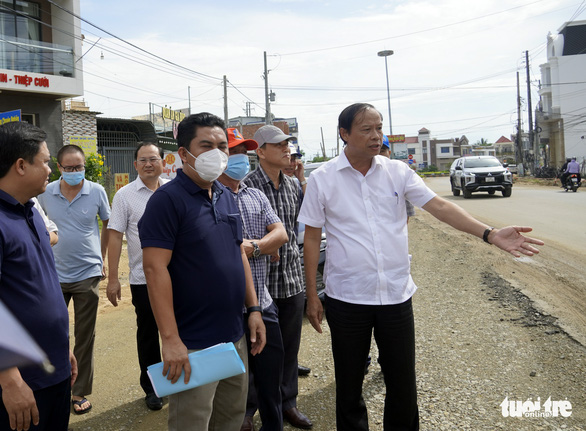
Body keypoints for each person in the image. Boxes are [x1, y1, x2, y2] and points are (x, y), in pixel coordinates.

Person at [299, 103, 544, 431]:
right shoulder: (324, 179)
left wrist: (489, 233)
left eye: (379, 128)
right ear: (344, 134)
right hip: (347, 297)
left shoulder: (397, 172)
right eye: (366, 129)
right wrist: (313, 296)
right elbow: (312, 237)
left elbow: (440, 206)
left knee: (402, 385)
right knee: (349, 386)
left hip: (396, 297)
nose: (376, 136)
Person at [138, 113, 266, 431]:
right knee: (192, 422)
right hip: (193, 342)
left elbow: (238, 254)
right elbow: (155, 270)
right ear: (183, 154)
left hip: (234, 334)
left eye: (222, 146)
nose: (217, 154)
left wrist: (253, 309)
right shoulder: (166, 201)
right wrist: (170, 340)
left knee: (230, 419)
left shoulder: (224, 195)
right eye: (206, 145)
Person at [0, 122, 77, 431]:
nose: (50, 169)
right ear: (21, 165)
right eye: (45, 161)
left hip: (53, 367)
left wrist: (63, 348)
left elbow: (39, 285)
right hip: (22, 380)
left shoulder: (30, 209)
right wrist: (9, 379)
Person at [243, 125, 313, 430]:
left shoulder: (293, 185)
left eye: (288, 145)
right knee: (257, 349)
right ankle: (248, 408)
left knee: (289, 348)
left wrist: (303, 180)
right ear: (260, 152)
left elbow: (303, 224)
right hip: (259, 283)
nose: (287, 150)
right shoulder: (246, 186)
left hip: (291, 278)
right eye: (278, 145)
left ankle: (288, 404)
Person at [218, 128, 288, 431]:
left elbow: (281, 234)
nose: (240, 159)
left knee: (271, 374)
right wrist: (263, 246)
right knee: (233, 380)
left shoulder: (255, 194)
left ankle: (273, 425)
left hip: (263, 300)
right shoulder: (210, 197)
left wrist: (254, 247)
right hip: (227, 306)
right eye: (233, 153)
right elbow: (224, 251)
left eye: (244, 152)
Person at [37, 144, 110, 415]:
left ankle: (79, 391)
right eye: (68, 168)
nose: (74, 172)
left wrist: (101, 259)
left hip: (87, 273)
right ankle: (52, 386)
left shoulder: (97, 191)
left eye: (79, 167)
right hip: (52, 273)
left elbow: (107, 224)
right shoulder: (45, 192)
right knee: (53, 333)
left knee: (85, 336)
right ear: (59, 168)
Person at [106, 142, 168, 410]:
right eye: (142, 160)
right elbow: (115, 235)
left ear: (163, 162)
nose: (148, 164)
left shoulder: (174, 191)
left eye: (153, 159)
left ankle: (186, 380)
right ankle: (153, 388)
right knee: (148, 334)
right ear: (135, 165)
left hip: (179, 276)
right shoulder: (124, 195)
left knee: (184, 330)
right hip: (144, 280)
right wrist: (112, 278)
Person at [379, 135, 415, 221]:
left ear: (389, 153)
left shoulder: (400, 174)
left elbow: (407, 214)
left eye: (382, 151)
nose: (379, 155)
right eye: (375, 150)